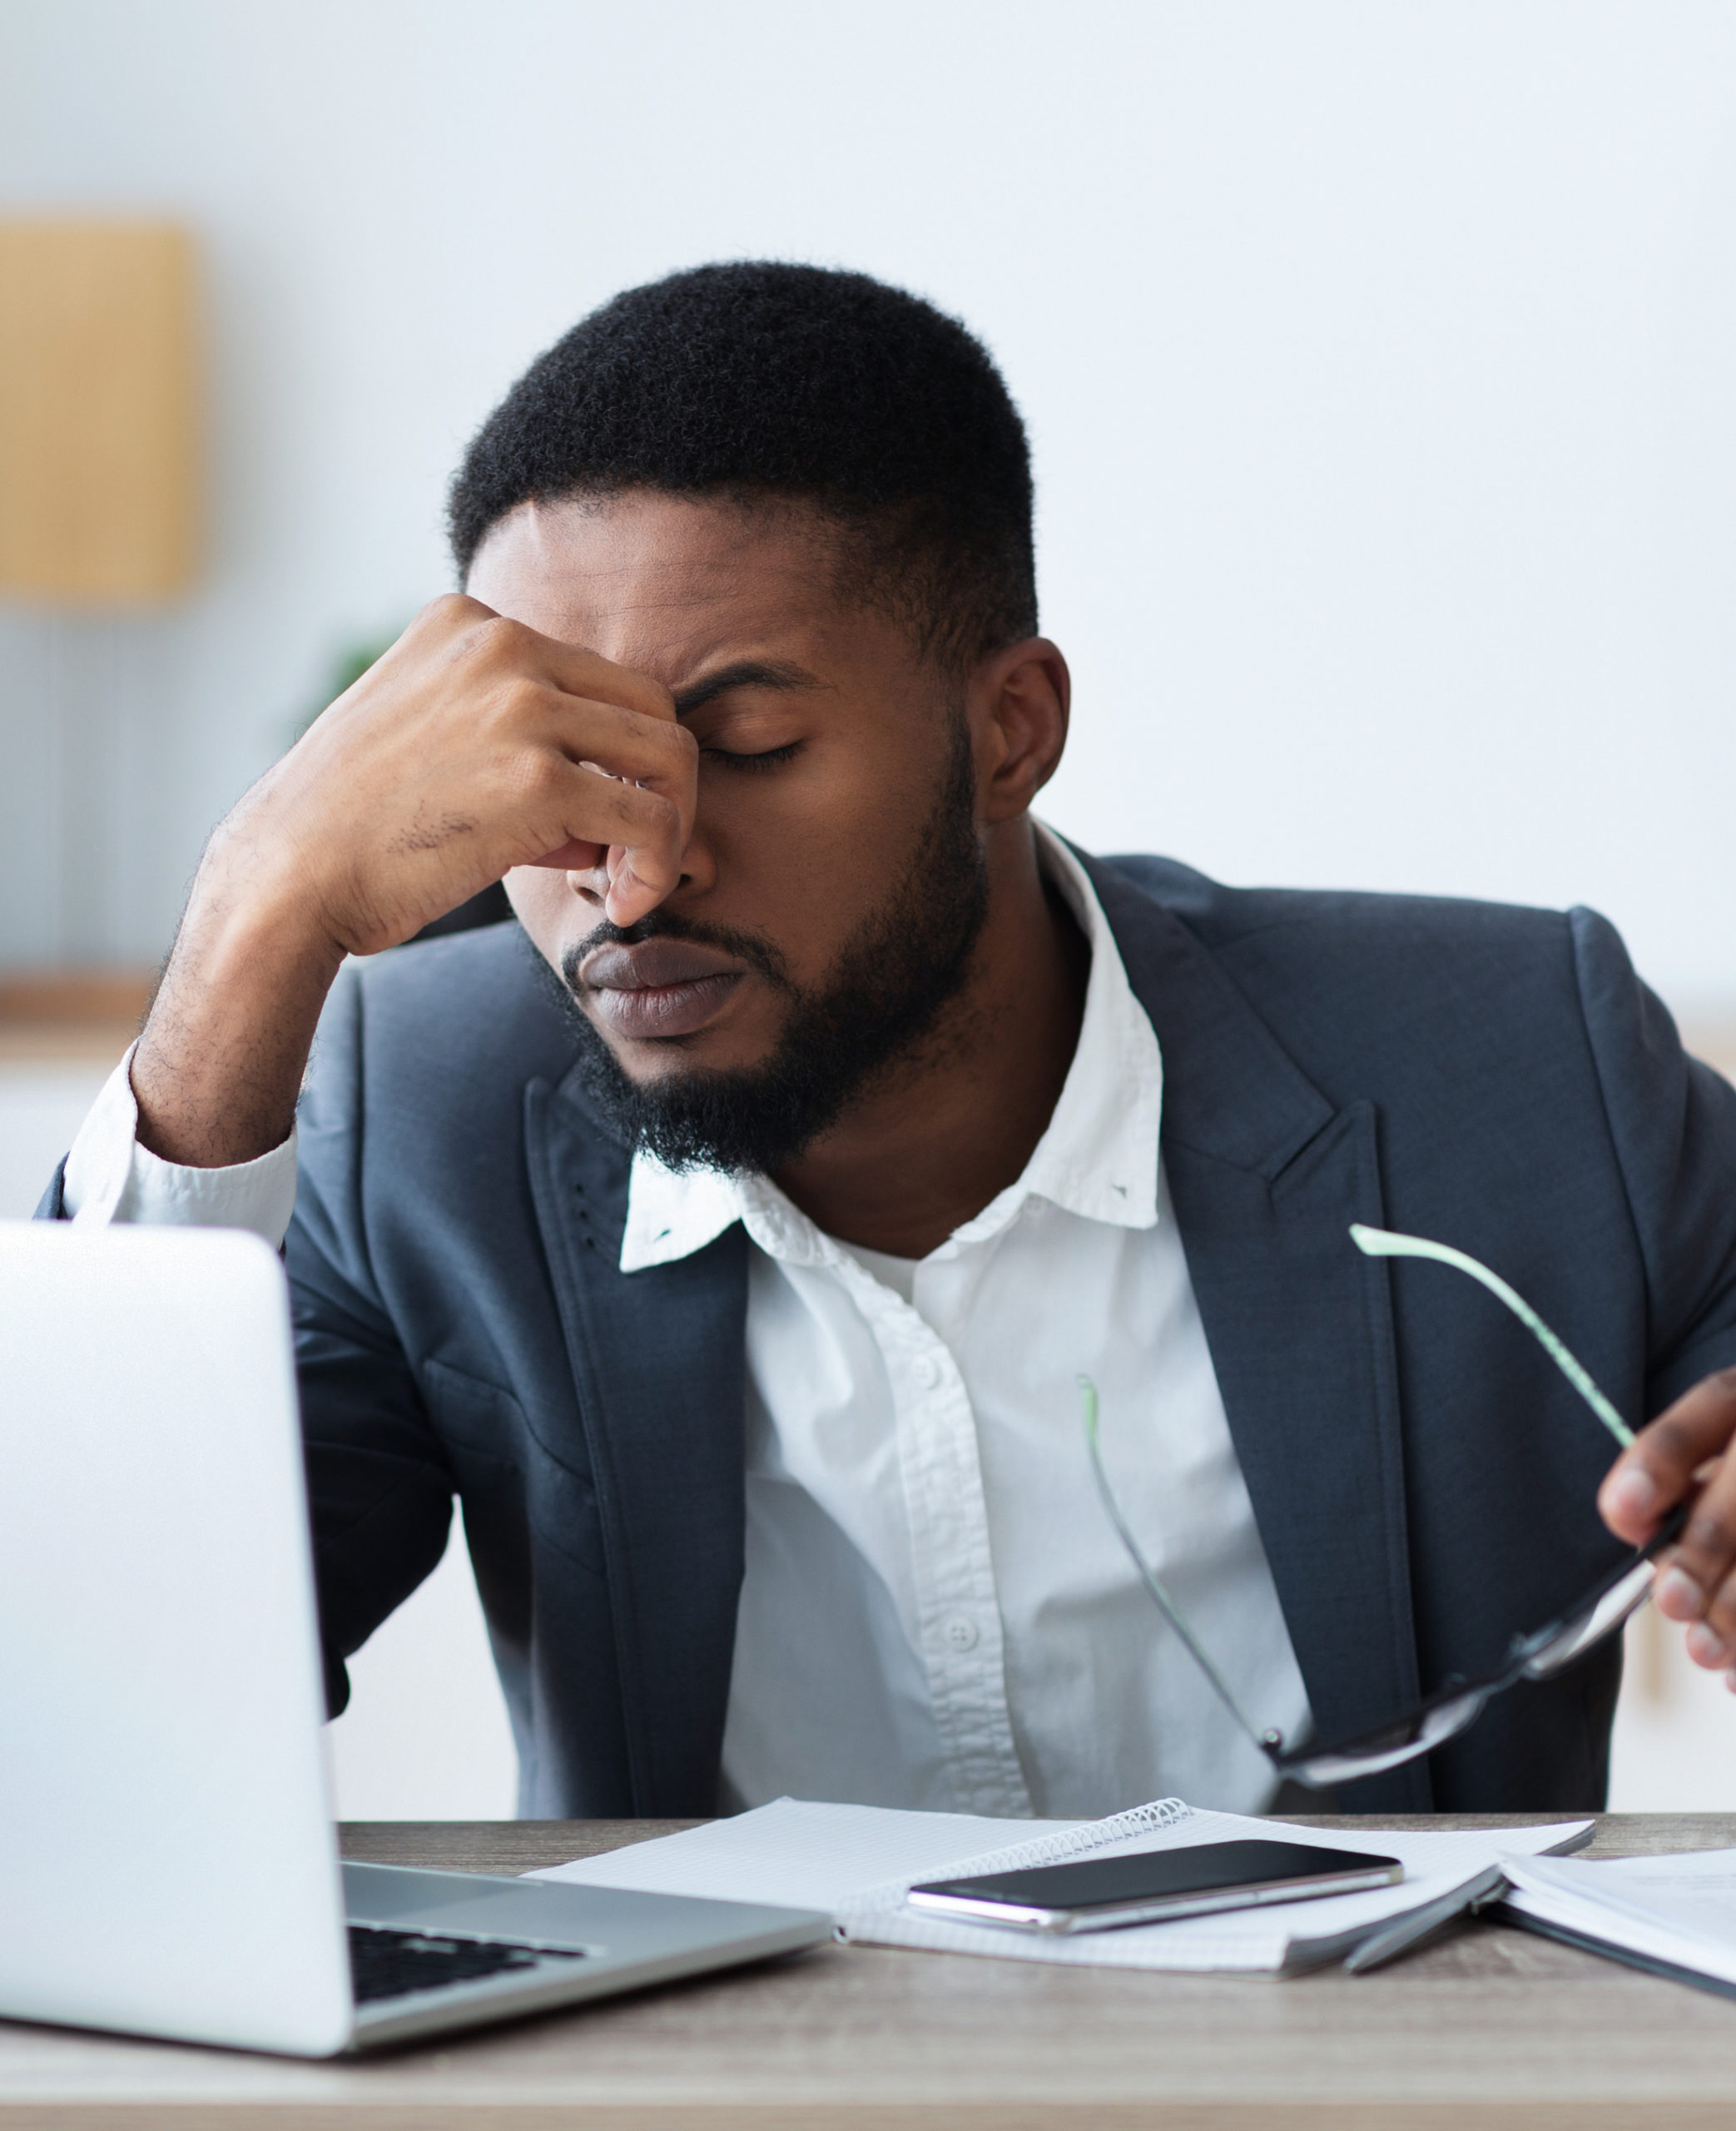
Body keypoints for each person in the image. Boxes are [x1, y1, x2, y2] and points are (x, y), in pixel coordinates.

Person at [43, 262, 1736, 1820]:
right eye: (557, 761)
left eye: (751, 743)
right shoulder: (411, 1117)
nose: (636, 865)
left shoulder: (1513, 1056)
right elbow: (75, 1688)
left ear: (1010, 731)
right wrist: (251, 913)